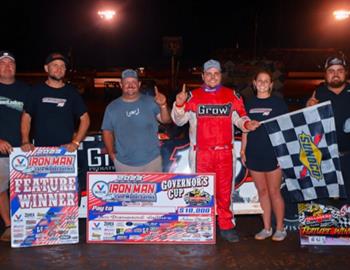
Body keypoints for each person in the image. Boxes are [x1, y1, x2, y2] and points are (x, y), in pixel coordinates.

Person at [171, 59, 260, 242]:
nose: (212, 77)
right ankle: (203, 226)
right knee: (201, 192)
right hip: (201, 153)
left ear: (221, 75)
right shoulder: (191, 96)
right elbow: (178, 121)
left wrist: (247, 123)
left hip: (225, 153)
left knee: (224, 192)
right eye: (208, 73)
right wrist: (179, 105)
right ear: (203, 76)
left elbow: (239, 118)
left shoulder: (232, 95)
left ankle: (226, 226)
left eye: (216, 73)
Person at [240, 70, 289, 241]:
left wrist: (282, 154)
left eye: (266, 81)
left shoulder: (278, 103)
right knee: (261, 191)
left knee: (274, 191)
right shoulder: (248, 104)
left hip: (273, 154)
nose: (262, 83)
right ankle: (267, 227)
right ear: (254, 83)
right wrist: (243, 150)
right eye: (259, 80)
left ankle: (280, 228)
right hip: (254, 153)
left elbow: (285, 130)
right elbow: (245, 128)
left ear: (271, 84)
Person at [101, 69, 171, 172]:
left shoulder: (151, 101)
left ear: (139, 84)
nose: (130, 85)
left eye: (133, 82)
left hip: (152, 162)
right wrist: (112, 155)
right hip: (124, 164)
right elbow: (107, 131)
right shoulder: (112, 107)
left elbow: (166, 120)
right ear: (121, 84)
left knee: (155, 189)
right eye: (126, 82)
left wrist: (163, 105)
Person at [21, 52, 90, 151]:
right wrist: (25, 141)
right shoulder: (36, 91)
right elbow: (26, 117)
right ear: (46, 68)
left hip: (65, 152)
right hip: (40, 151)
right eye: (55, 65)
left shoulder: (72, 93)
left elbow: (85, 119)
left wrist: (75, 142)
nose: (59, 69)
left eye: (62, 66)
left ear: (65, 70)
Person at [306, 55, 350, 203]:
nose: (336, 74)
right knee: (322, 202)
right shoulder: (318, 93)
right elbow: (305, 125)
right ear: (325, 74)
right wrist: (307, 109)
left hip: (348, 156)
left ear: (346, 73)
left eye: (340, 70)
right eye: (331, 70)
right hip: (324, 157)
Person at [0, 51, 30, 241]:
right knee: (1, 189)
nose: (7, 66)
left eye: (11, 63)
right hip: (1, 150)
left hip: (23, 149)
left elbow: (35, 116)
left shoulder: (25, 90)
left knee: (25, 189)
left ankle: (26, 222)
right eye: (2, 63)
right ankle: (9, 225)